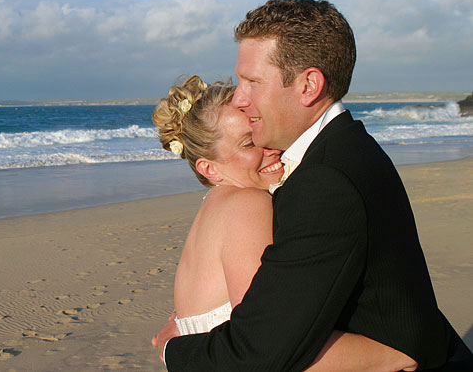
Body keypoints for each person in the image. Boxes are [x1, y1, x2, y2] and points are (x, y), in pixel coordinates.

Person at [154, 0, 473, 371]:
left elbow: (260, 349)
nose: (241, 97)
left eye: (252, 81)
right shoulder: (346, 149)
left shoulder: (324, 180)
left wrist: (169, 350)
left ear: (308, 85)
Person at [152, 75, 421, 371]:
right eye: (247, 143)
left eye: (259, 128)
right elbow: (267, 341)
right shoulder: (247, 205)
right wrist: (396, 353)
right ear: (209, 168)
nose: (267, 146)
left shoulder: (216, 208)